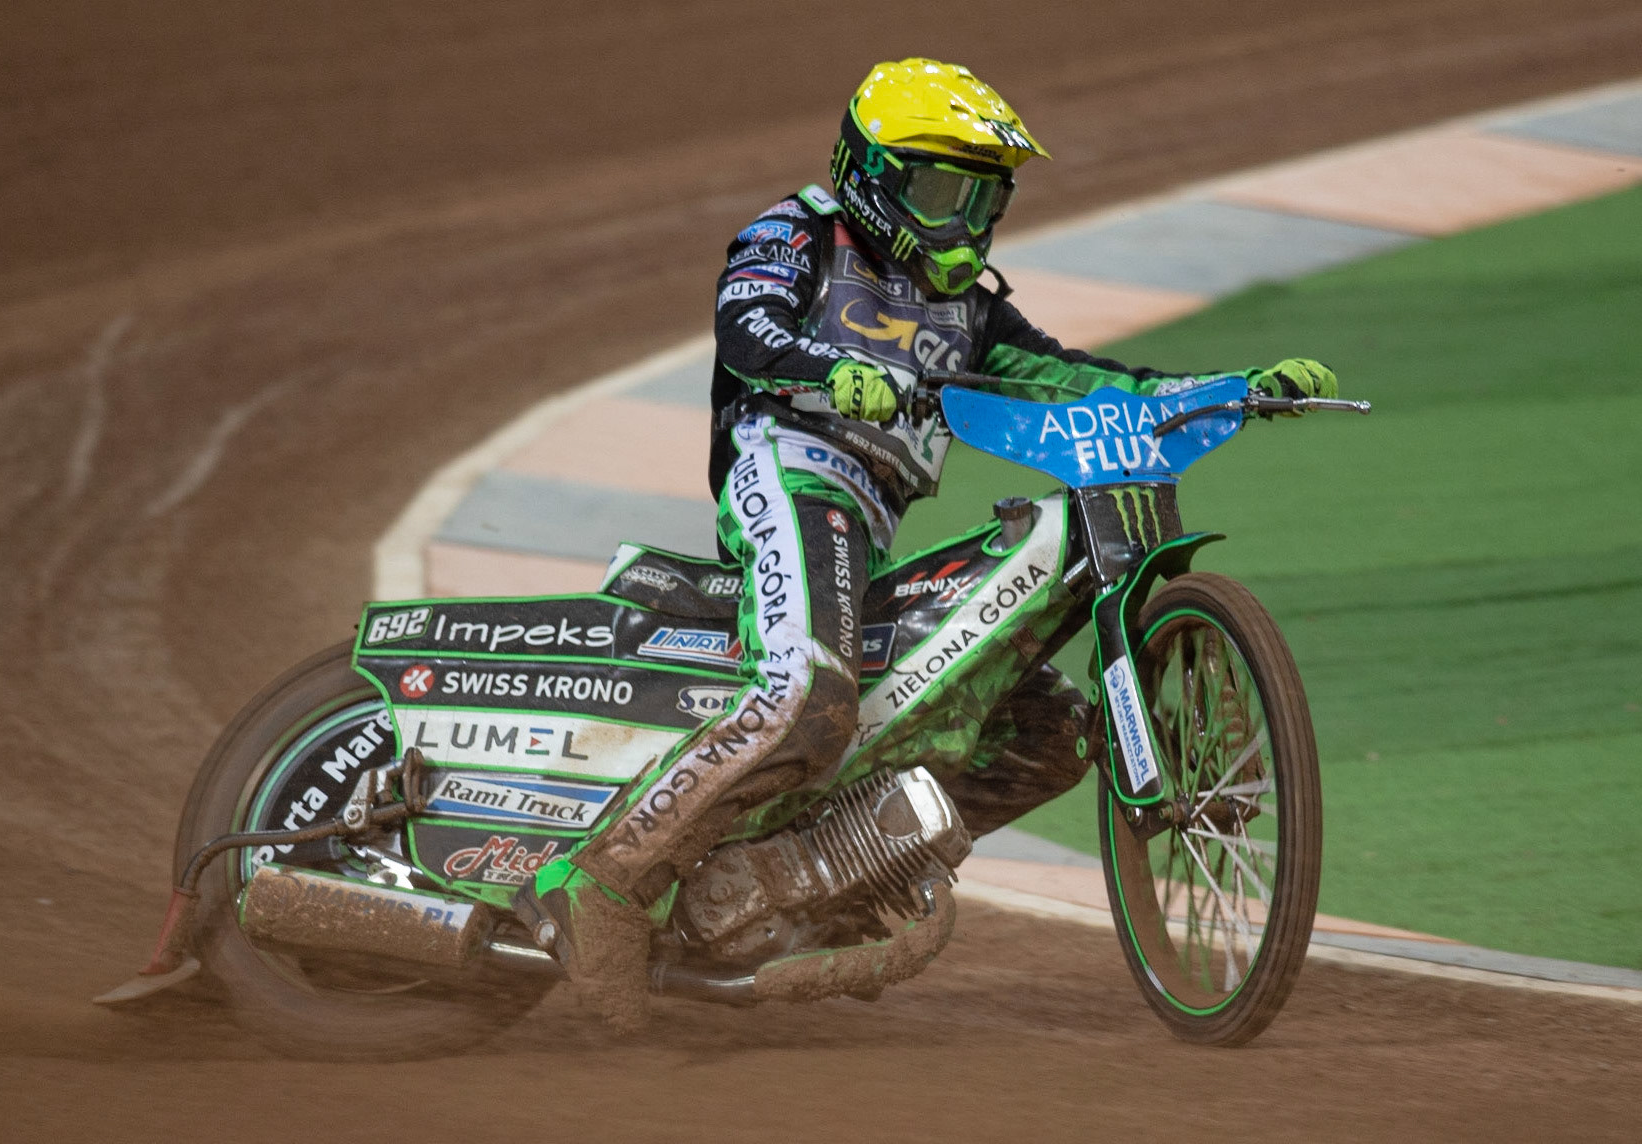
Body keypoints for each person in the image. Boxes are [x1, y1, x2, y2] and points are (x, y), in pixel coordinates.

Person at [518, 58, 1337, 1028]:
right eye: (944, 190)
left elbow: (1075, 380)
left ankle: (820, 879)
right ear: (874, 172)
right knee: (806, 692)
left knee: (1049, 734)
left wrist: (1226, 386)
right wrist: (838, 370)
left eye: (981, 196)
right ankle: (602, 881)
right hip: (791, 474)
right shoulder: (797, 235)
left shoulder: (973, 311)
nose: (964, 220)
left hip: (867, 525)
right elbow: (746, 333)